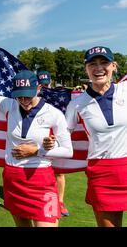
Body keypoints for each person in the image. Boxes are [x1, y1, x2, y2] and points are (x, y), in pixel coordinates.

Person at [0, 45, 73, 227]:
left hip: (42, 180)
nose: (24, 101)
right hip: (13, 178)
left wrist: (37, 151)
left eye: (28, 96)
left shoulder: (54, 113)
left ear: (39, 89)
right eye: (20, 96)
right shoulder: (9, 105)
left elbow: (68, 151)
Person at [65, 46, 127, 227]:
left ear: (114, 66)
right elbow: (63, 137)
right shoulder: (76, 104)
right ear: (86, 69)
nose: (98, 68)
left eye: (104, 62)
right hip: (101, 172)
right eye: (92, 64)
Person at [37, 70, 70, 217]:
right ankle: (41, 198)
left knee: (60, 172)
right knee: (40, 169)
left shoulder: (61, 95)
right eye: (41, 84)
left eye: (46, 83)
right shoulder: (32, 96)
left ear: (50, 81)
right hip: (39, 137)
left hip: (56, 136)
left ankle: (60, 201)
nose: (45, 86)